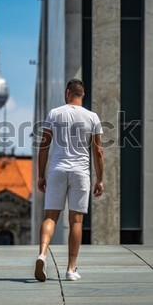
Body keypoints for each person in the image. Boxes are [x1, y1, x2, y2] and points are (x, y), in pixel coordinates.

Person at [34, 79, 104, 282]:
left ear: (67, 93)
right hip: (81, 172)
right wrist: (100, 179)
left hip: (57, 170)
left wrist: (41, 175)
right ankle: (71, 269)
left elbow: (44, 147)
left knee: (50, 217)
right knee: (76, 220)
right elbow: (98, 151)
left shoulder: (55, 113)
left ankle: (42, 255)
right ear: (82, 95)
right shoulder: (92, 117)